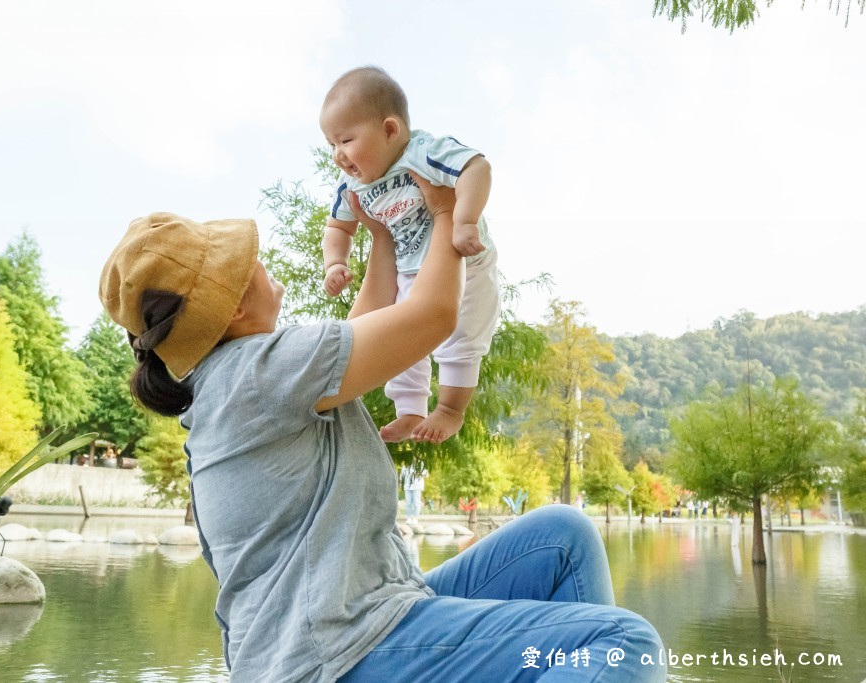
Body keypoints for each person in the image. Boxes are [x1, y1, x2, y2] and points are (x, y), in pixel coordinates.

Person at [98, 180, 665, 682]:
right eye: (250, 261)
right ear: (237, 301)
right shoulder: (261, 370)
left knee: (560, 537)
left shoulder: (239, 377)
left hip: (361, 617)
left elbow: (368, 329)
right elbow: (433, 316)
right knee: (621, 643)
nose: (261, 263)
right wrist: (446, 212)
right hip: (338, 654)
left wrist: (383, 236)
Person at [319, 66, 501, 445]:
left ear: (390, 130)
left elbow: (476, 167)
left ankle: (450, 410)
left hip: (464, 259)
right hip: (408, 270)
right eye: (331, 145)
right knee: (400, 337)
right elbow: (337, 228)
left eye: (346, 140)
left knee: (461, 340)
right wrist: (335, 263)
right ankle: (410, 409)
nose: (338, 155)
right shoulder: (353, 184)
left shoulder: (421, 153)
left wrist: (464, 220)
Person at [399, 459, 428, 525]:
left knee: (416, 502)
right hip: (407, 486)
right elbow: (402, 475)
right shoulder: (406, 464)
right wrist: (401, 483)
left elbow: (426, 474)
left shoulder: (421, 464)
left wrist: (419, 473)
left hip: (417, 486)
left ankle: (415, 518)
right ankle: (409, 518)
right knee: (408, 503)